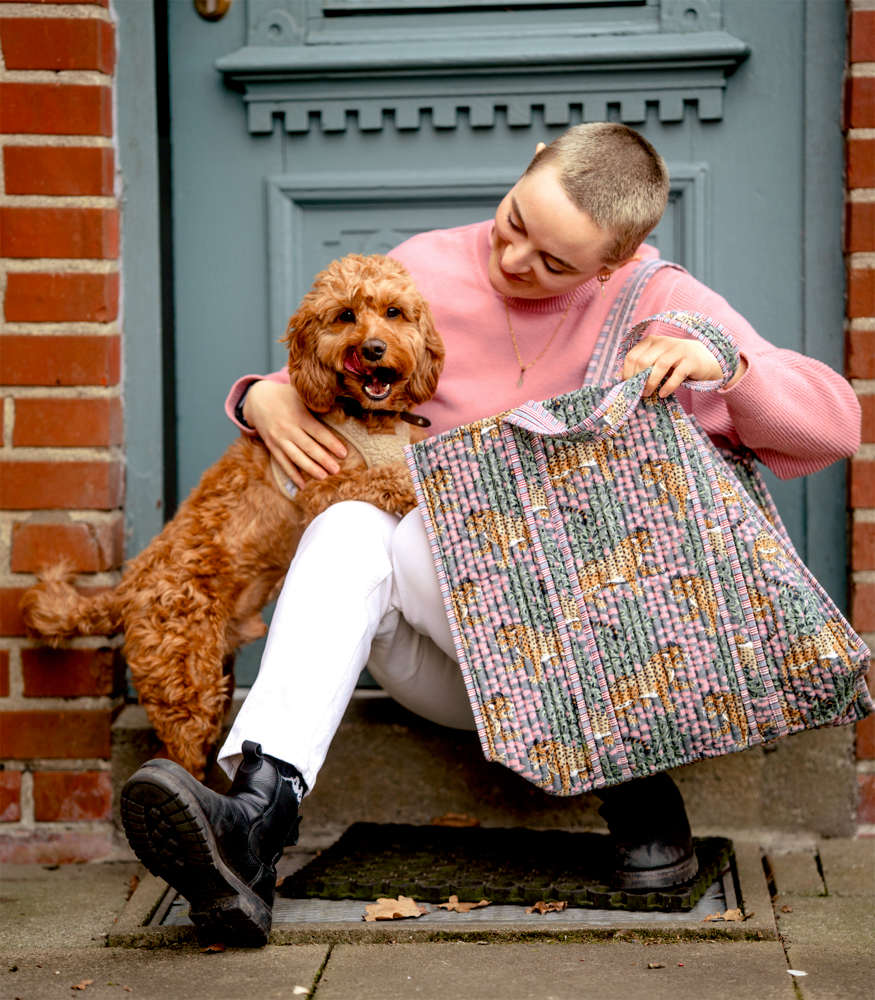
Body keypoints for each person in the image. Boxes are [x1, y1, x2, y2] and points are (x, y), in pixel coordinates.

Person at [122, 124, 861, 946]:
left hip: (595, 667)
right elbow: (337, 359)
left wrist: (723, 361)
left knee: (446, 522)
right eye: (513, 223)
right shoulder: (427, 266)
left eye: (552, 262)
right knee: (354, 525)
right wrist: (264, 395)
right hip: (448, 660)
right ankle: (254, 817)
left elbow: (832, 425)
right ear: (531, 160)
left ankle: (634, 776)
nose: (513, 263)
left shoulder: (652, 299)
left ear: (615, 260)